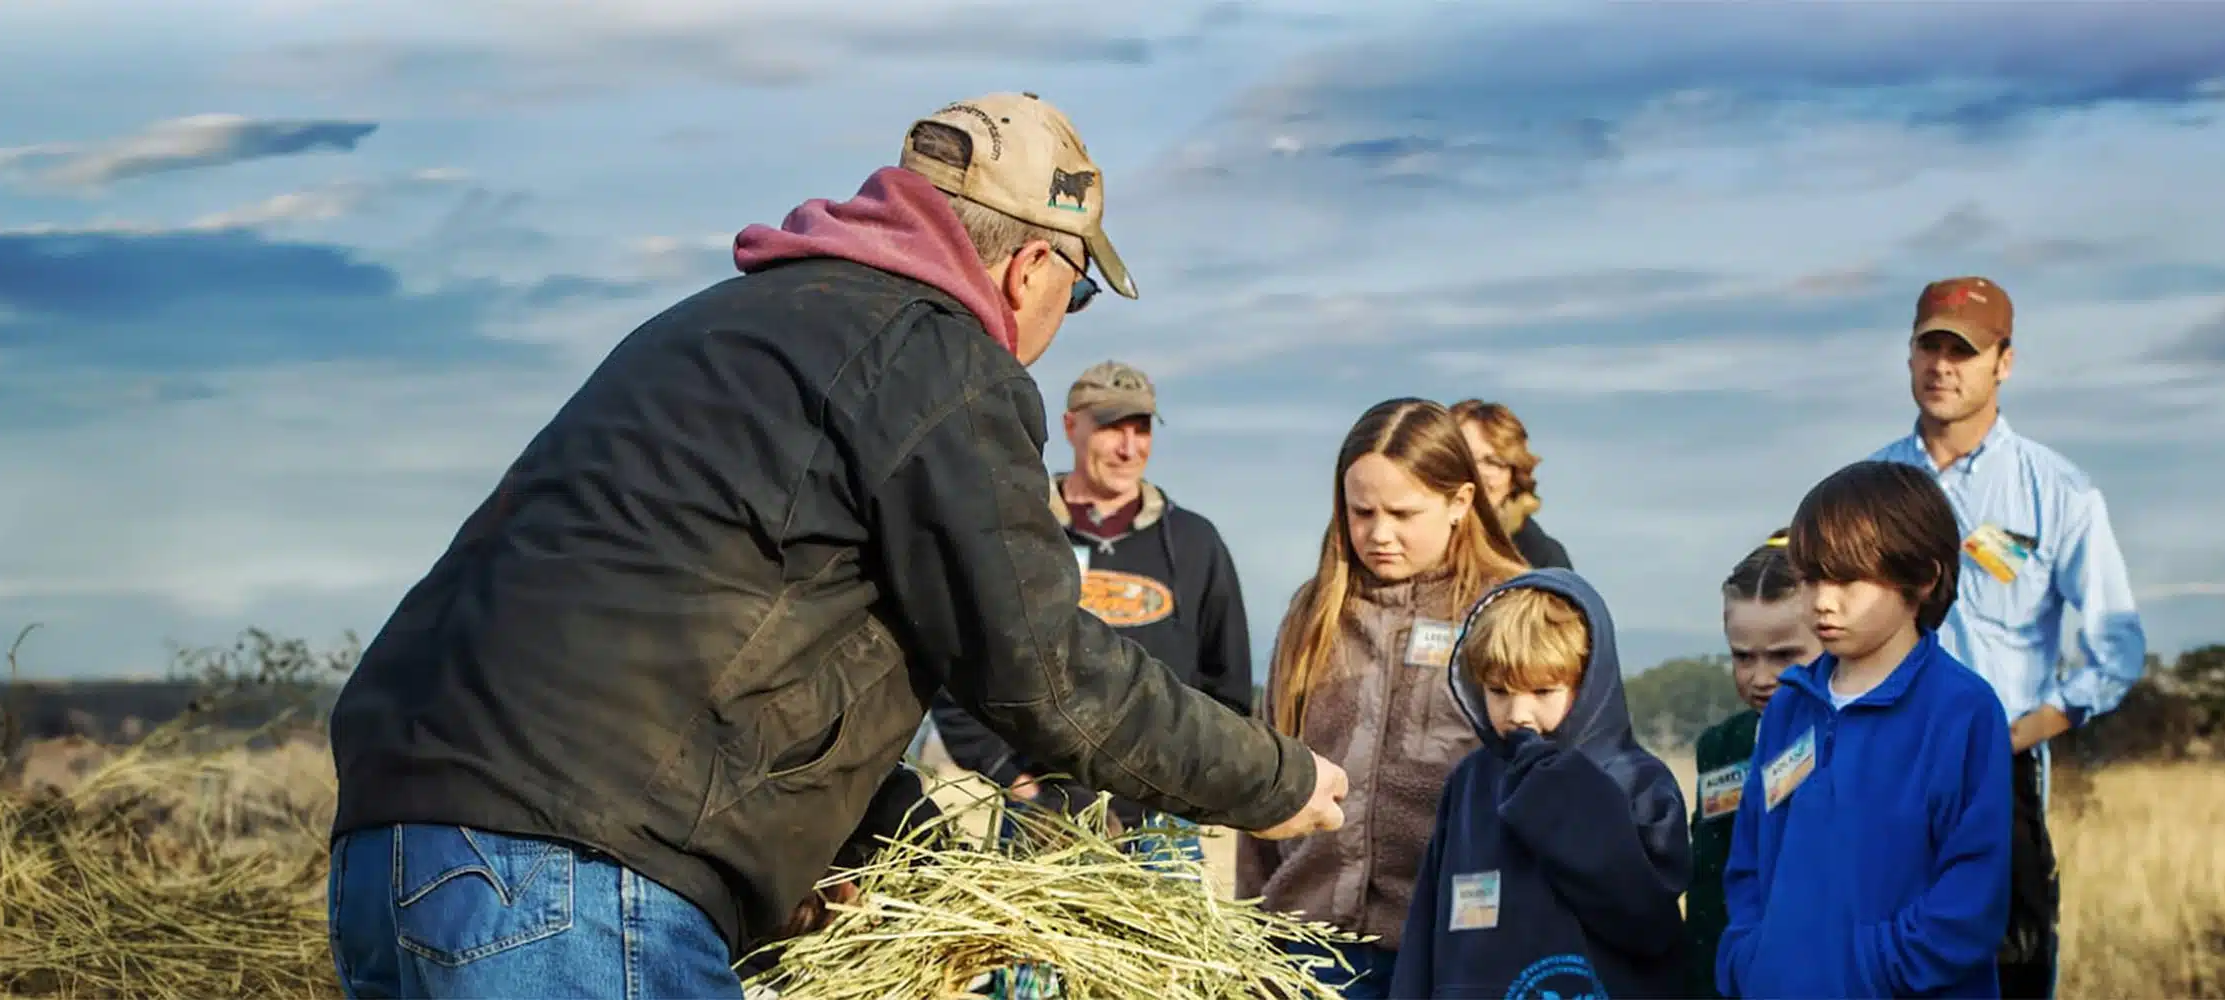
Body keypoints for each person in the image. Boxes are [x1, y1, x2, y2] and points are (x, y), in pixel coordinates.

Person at [321, 92, 1348, 1000]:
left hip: (395, 842)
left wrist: (909, 864)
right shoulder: (939, 357)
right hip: (576, 869)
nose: (1056, 322)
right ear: (1034, 264)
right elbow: (1041, 672)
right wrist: (1278, 779)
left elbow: (771, 636)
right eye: (1075, 295)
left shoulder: (732, 324)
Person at [1866, 276, 2149, 998]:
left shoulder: (2058, 491)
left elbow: (2116, 646)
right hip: (1883, 761)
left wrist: (2025, 732)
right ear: (1908, 356)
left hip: (1999, 769)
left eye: (1964, 350)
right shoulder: (1870, 489)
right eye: (1929, 346)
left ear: (2005, 362)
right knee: (1877, 959)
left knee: (2008, 965)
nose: (1942, 366)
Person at [1239, 397, 1532, 998]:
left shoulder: (1510, 610)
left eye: (1402, 512)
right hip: (1308, 945)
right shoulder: (1313, 611)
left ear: (1459, 503)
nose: (1379, 534)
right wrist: (1248, 924)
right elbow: (1267, 769)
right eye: (1361, 511)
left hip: (1457, 946)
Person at [929, 358, 1253, 868]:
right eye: (1110, 427)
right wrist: (1015, 781)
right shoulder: (1020, 532)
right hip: (1042, 824)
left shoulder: (1195, 545)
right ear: (1069, 427)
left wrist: (1192, 790)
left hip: (1161, 831)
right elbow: (954, 661)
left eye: (1140, 429)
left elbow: (1227, 688)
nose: (1129, 448)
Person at [1715, 460, 2014, 999]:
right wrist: (1751, 958)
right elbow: (1750, 862)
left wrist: (1868, 968)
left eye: (1848, 579)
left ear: (1922, 576)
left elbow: (1972, 898)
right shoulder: (1790, 707)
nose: (1823, 602)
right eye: (1810, 580)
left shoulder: (1963, 711)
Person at [1393, 569, 1693, 999]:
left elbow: (1648, 923)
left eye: (1543, 691)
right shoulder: (1469, 782)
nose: (1518, 713)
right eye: (1498, 691)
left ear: (1590, 683)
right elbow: (1428, 926)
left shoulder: (1638, 782)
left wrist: (1558, 792)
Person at [1682, 529, 1821, 999]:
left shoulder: (1849, 743)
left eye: (1784, 656)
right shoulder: (1721, 747)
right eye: (1743, 657)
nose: (1762, 678)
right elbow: (1705, 885)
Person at [1450, 399, 1571, 569]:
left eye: (1493, 462)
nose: (1477, 473)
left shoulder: (1543, 560)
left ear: (1514, 477)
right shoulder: (1410, 544)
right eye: (1466, 459)